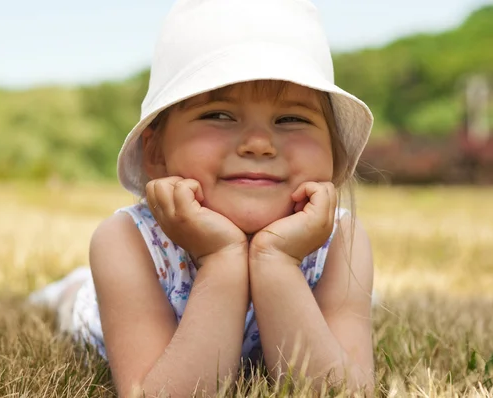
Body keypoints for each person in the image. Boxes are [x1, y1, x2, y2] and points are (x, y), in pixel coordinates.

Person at [29, 0, 375, 396]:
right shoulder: (126, 241)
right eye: (220, 115)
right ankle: (66, 290)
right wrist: (221, 259)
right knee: (76, 303)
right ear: (156, 151)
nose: (259, 144)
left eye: (291, 119)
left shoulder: (341, 240)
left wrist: (277, 260)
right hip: (103, 303)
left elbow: (344, 392)